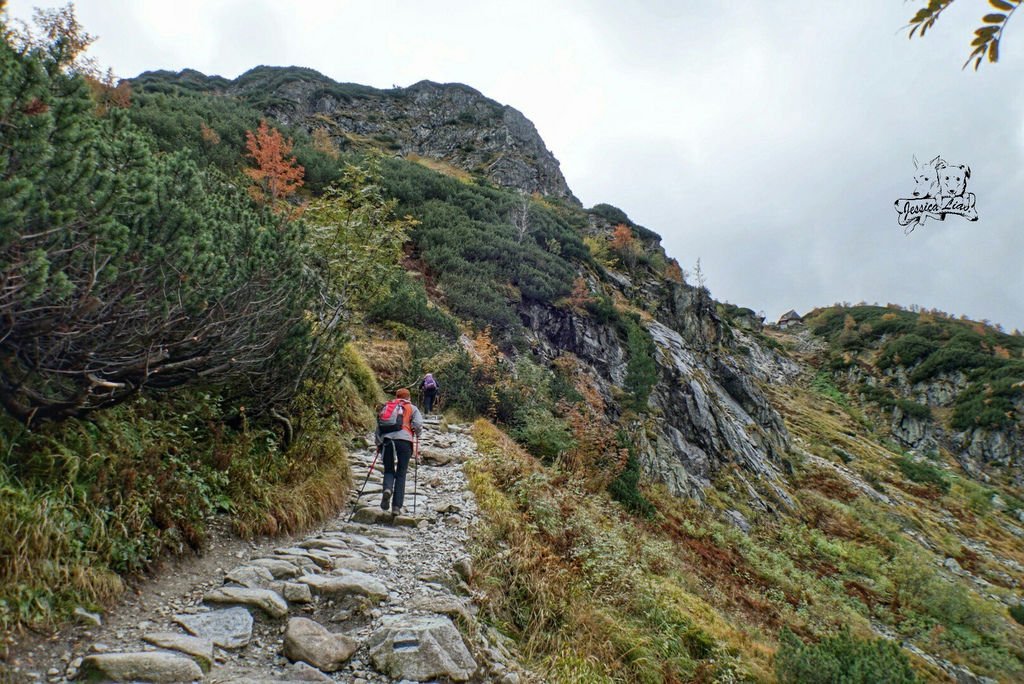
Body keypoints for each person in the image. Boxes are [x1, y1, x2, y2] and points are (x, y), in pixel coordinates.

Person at [377, 388, 423, 517]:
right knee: (401, 474)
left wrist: (378, 444)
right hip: (404, 441)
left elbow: (379, 426)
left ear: (396, 396)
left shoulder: (387, 406)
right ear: (408, 397)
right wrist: (417, 434)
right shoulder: (412, 408)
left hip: (387, 440)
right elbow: (418, 424)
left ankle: (387, 489)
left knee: (388, 470)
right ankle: (396, 507)